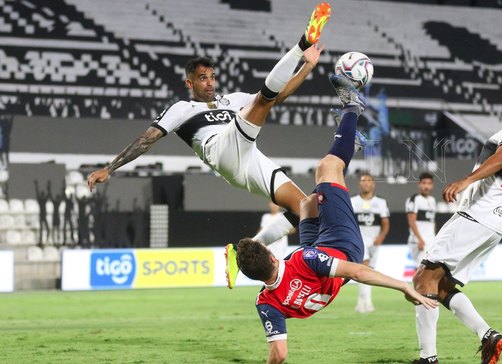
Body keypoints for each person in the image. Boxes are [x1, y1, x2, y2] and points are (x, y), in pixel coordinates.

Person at [87, 3, 336, 289]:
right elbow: (147, 138)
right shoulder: (182, 108)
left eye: (212, 77)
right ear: (190, 82)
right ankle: (302, 42)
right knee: (261, 102)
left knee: (305, 206)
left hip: (249, 158)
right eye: (203, 78)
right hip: (221, 150)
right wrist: (110, 167)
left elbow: (276, 96)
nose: (209, 83)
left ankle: (241, 252)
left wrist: (308, 67)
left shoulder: (233, 100)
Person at [235, 74, 438, 364]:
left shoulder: (265, 302)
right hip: (342, 244)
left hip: (313, 255)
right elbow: (357, 272)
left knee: (307, 203)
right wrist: (403, 286)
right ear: (270, 255)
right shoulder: (305, 261)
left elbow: (279, 354)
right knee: (328, 167)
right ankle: (353, 107)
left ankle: (350, 142)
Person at [411, 78, 502, 364]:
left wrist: (465, 180)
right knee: (441, 285)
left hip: (476, 214)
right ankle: (488, 335)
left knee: (422, 279)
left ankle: (428, 358)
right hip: (495, 222)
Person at [350, 172, 390, 313]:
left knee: (369, 271)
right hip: (358, 241)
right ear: (360, 183)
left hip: (374, 241)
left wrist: (381, 237)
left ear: (373, 184)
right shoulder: (352, 201)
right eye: (363, 180)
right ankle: (366, 304)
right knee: (364, 267)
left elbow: (385, 222)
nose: (365, 183)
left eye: (368, 180)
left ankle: (363, 302)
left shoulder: (381, 202)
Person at [406, 172, 436, 266]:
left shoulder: (432, 200)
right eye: (424, 183)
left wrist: (434, 239)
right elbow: (411, 221)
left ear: (432, 185)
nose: (426, 186)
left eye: (429, 183)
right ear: (419, 184)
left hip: (430, 241)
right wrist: (420, 239)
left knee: (428, 271)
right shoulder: (414, 199)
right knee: (421, 269)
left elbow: (432, 222)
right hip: (419, 241)